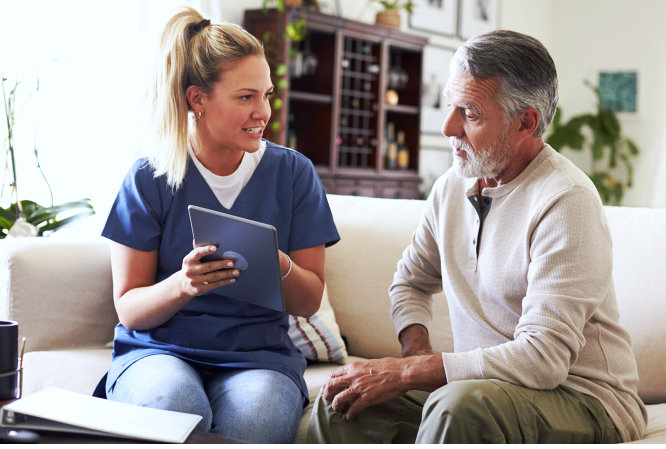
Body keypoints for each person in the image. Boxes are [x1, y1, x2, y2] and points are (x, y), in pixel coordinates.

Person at [306, 30, 647, 444]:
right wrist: (416, 355)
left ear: (526, 122)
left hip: (584, 398)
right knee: (341, 402)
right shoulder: (451, 188)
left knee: (460, 406)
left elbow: (543, 360)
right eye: (450, 105)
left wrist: (410, 373)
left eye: (469, 113)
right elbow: (410, 283)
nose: (448, 127)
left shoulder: (565, 200)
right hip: (481, 391)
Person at [97, 7, 339, 443]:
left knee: (256, 422)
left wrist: (277, 264)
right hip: (159, 352)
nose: (263, 111)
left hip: (260, 357)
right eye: (246, 97)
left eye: (266, 95)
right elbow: (129, 308)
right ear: (198, 99)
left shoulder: (294, 174)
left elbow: (308, 301)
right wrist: (183, 284)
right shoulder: (150, 177)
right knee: (174, 406)